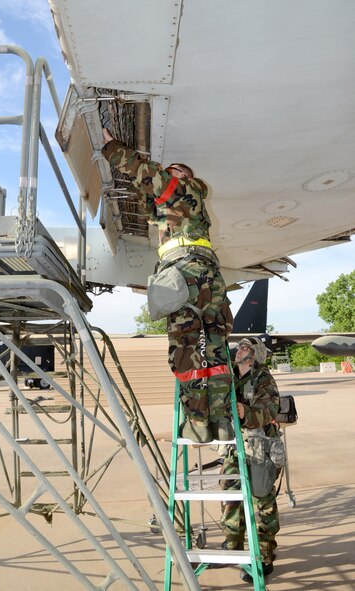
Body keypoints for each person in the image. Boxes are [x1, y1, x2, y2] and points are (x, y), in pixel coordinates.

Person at [102, 128, 233, 442]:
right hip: (207, 273)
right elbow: (149, 198)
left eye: (172, 171)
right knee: (213, 347)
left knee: (186, 346)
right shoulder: (184, 208)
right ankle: (223, 420)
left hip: (185, 272)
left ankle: (199, 424)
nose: (165, 174)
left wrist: (111, 147)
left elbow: (147, 175)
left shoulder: (183, 190)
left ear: (183, 176)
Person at [218, 336, 280, 582]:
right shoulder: (229, 375)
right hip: (234, 446)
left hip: (258, 445)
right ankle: (233, 543)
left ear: (254, 355)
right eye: (239, 346)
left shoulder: (264, 378)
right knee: (229, 494)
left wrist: (247, 412)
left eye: (245, 347)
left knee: (261, 499)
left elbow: (270, 409)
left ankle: (265, 556)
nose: (238, 349)